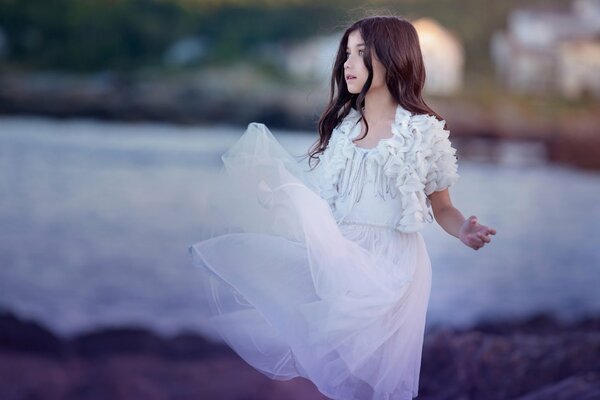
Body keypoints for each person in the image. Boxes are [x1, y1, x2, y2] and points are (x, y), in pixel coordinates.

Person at [188, 15, 496, 400]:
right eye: (346, 54)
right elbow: (323, 197)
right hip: (339, 255)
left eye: (361, 54)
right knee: (343, 378)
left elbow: (443, 208)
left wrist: (463, 229)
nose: (348, 64)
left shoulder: (423, 131)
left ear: (393, 57)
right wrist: (279, 192)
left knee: (380, 383)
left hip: (395, 266)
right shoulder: (342, 128)